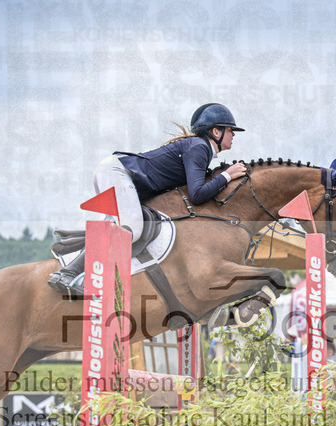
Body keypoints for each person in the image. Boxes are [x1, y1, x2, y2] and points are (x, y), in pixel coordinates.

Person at [48, 103, 248, 297]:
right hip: (118, 173)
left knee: (125, 229)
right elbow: (197, 195)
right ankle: (67, 273)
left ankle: (83, 272)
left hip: (120, 176)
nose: (234, 135)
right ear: (216, 132)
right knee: (132, 229)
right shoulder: (199, 147)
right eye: (230, 130)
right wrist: (227, 176)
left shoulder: (198, 148)